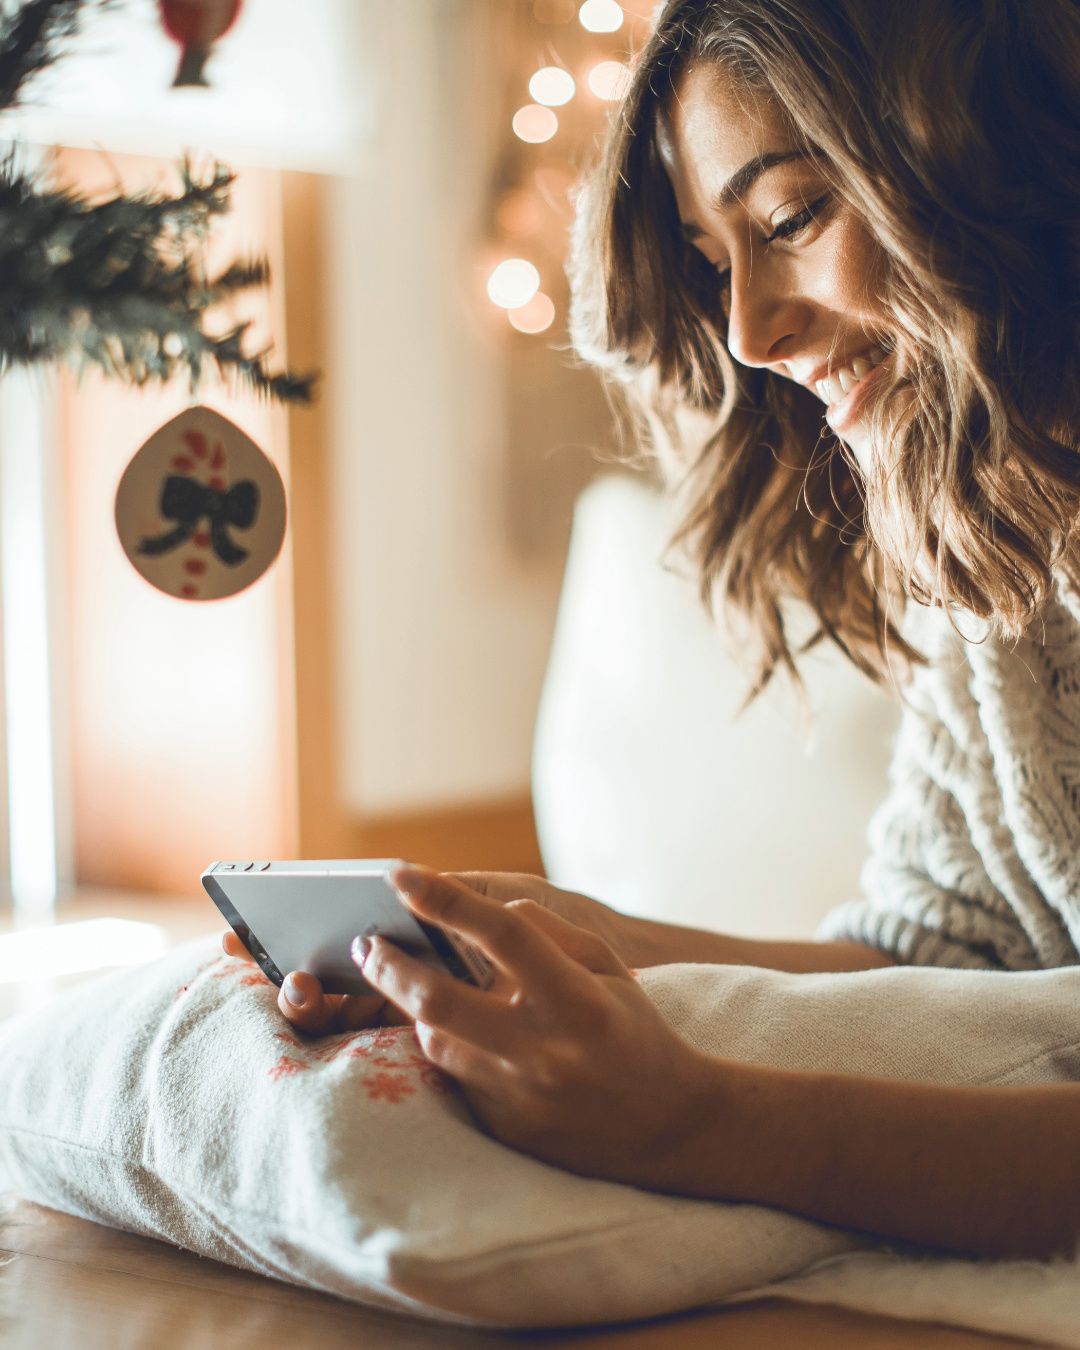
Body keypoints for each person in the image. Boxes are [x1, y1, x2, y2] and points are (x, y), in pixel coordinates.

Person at [227, 0, 1080, 1259]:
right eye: (714, 258)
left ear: (984, 151)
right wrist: (593, 942)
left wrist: (701, 1123)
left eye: (791, 218)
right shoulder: (1002, 562)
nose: (751, 333)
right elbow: (946, 959)